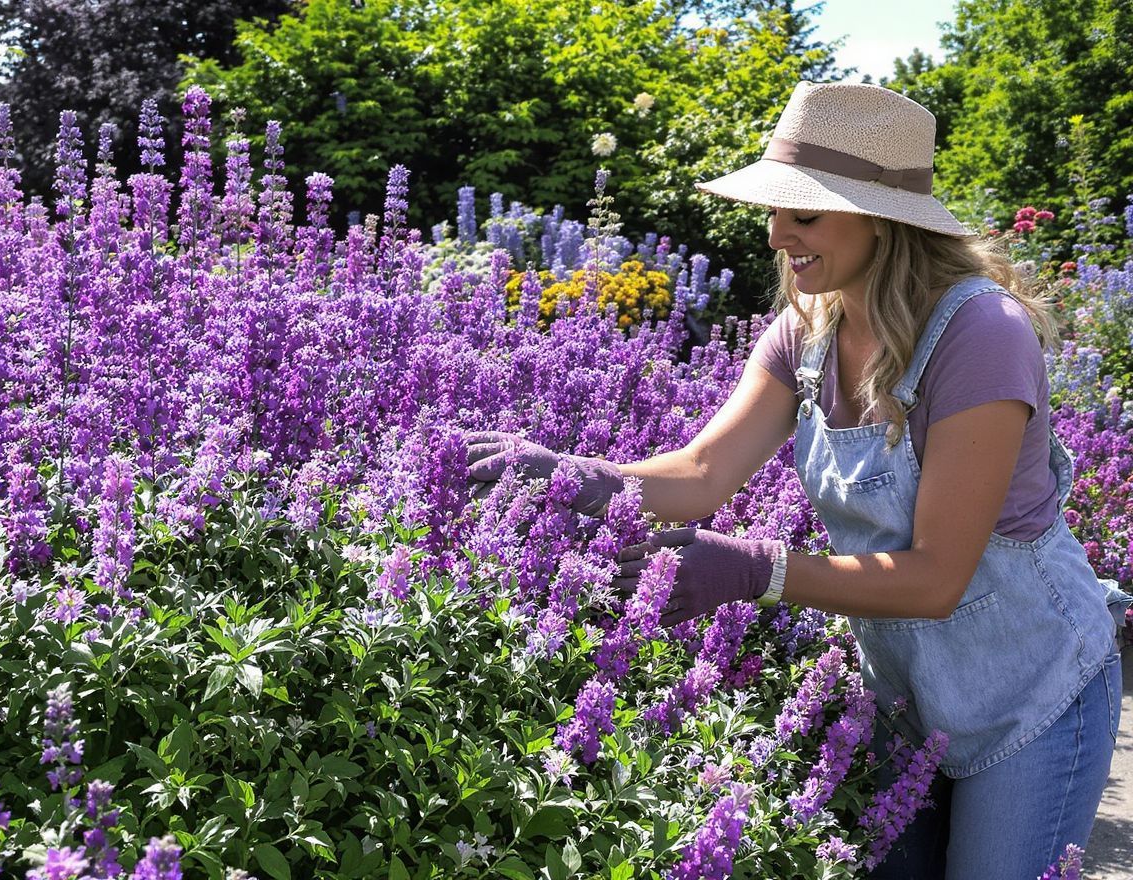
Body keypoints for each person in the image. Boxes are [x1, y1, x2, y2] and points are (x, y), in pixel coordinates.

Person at [465, 82, 1129, 878]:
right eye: (776, 212)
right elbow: (704, 472)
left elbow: (936, 579)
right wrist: (573, 475)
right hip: (906, 695)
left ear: (881, 217)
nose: (779, 233)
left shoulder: (981, 334)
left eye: (804, 214)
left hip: (1033, 692)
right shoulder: (809, 328)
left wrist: (754, 569)